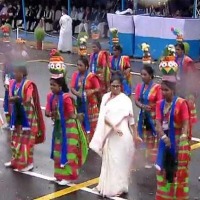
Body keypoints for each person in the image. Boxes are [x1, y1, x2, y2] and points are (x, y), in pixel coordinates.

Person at [90, 73, 141, 198]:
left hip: (122, 135)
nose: (115, 89)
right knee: (109, 161)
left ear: (121, 86)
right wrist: (113, 127)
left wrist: (135, 134)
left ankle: (120, 187)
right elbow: (103, 117)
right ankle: (104, 186)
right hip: (110, 134)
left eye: (118, 86)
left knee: (120, 161)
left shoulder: (125, 100)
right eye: (113, 86)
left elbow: (131, 119)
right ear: (110, 86)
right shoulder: (106, 98)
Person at [45, 50, 88, 185]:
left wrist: (76, 116)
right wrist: (51, 114)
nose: (52, 87)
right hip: (59, 127)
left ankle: (69, 177)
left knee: (69, 151)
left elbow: (70, 114)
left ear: (60, 86)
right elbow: (47, 111)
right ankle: (59, 175)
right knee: (58, 150)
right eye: (51, 84)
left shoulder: (66, 98)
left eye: (54, 85)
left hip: (69, 128)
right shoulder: (50, 96)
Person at [155, 56, 191, 200]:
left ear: (173, 90)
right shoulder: (160, 104)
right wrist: (163, 137)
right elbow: (158, 123)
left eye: (166, 90)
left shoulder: (181, 103)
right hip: (165, 141)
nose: (163, 93)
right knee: (164, 171)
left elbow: (186, 122)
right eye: (162, 90)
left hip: (178, 142)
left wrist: (182, 136)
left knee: (177, 173)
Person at [4, 63, 45, 171]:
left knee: (26, 140)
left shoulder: (28, 85)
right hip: (16, 115)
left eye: (18, 72)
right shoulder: (12, 83)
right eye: (15, 72)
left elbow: (27, 99)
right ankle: (15, 160)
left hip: (28, 117)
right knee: (15, 137)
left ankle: (28, 163)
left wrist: (17, 99)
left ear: (23, 73)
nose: (16, 74)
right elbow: (9, 97)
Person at [134, 65, 162, 168]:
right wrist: (142, 106)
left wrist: (151, 107)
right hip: (142, 116)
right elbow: (136, 100)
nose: (142, 76)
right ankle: (142, 158)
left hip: (153, 116)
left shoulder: (157, 88)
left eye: (145, 74)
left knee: (152, 137)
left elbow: (160, 102)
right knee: (142, 136)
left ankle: (152, 159)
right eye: (141, 74)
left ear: (150, 75)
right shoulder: (139, 86)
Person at [71, 56, 100, 141]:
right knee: (80, 122)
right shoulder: (75, 75)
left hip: (90, 104)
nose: (78, 67)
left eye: (81, 65)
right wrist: (77, 94)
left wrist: (92, 91)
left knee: (90, 125)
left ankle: (90, 143)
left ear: (86, 67)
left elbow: (98, 88)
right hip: (80, 103)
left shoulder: (91, 76)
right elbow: (72, 88)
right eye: (78, 65)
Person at [175, 42, 197, 124]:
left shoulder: (188, 61)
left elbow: (191, 75)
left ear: (183, 51)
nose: (176, 51)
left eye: (178, 49)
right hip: (177, 86)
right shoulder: (174, 59)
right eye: (175, 49)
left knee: (186, 107)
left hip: (186, 87)